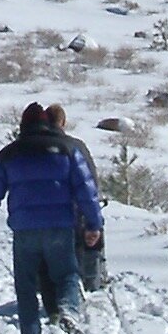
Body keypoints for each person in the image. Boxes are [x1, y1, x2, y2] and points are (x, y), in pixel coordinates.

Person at [0, 103, 104, 334]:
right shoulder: (67, 150)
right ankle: (69, 310)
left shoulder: (9, 153)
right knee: (67, 274)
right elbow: (86, 190)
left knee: (25, 287)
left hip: (25, 232)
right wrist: (93, 223)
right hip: (60, 227)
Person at [44, 104, 108, 293]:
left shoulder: (33, 146)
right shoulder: (76, 146)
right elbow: (91, 182)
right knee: (87, 246)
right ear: (63, 122)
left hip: (44, 215)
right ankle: (90, 283)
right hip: (74, 210)